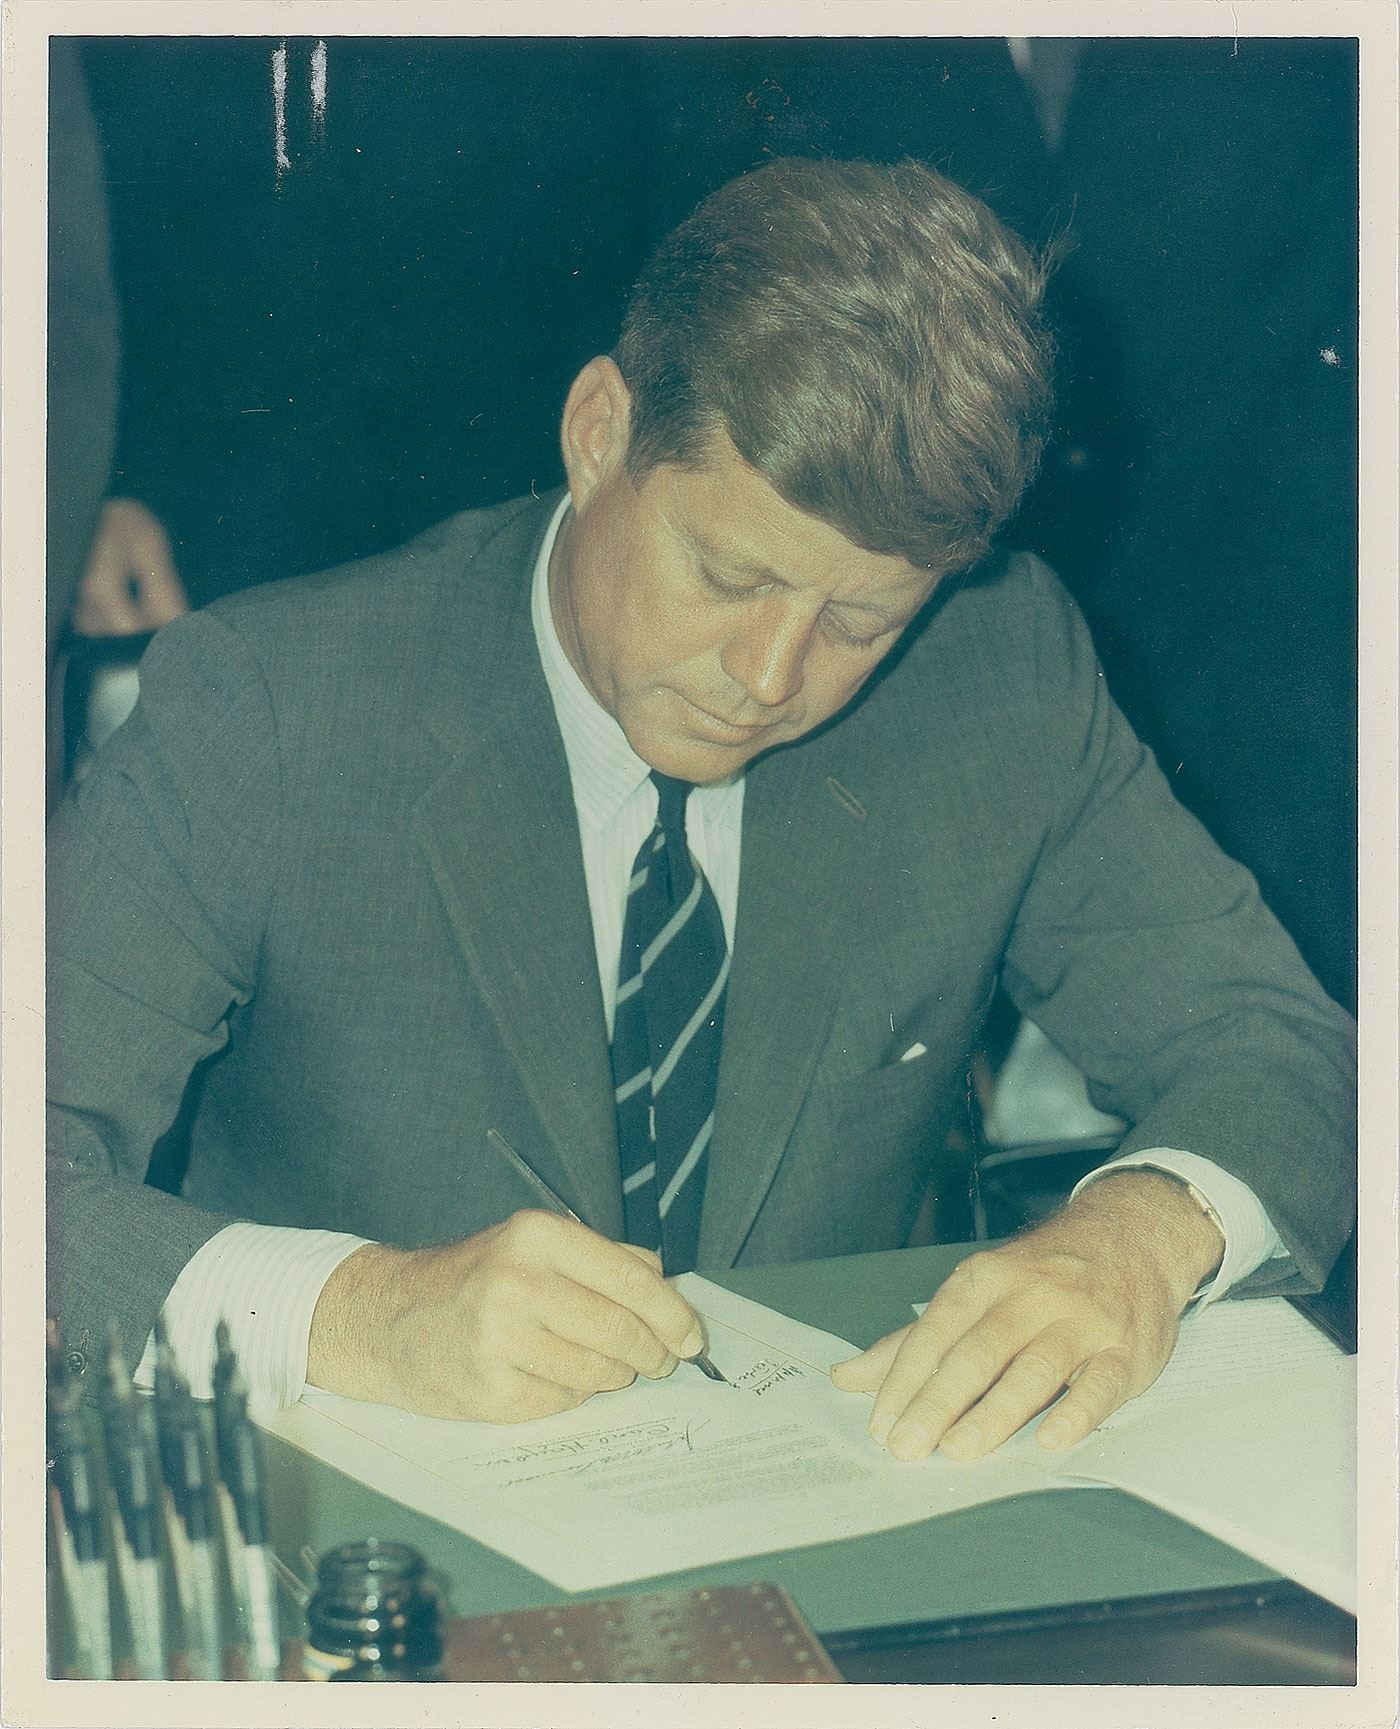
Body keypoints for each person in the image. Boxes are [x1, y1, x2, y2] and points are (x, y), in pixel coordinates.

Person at [47, 158, 1353, 1466]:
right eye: (729, 574)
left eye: (861, 621)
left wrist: (1137, 1235)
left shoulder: (997, 671)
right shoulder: (274, 705)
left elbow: (1280, 1047)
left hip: (844, 1509)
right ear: (599, 433)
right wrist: (362, 1316)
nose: (771, 677)